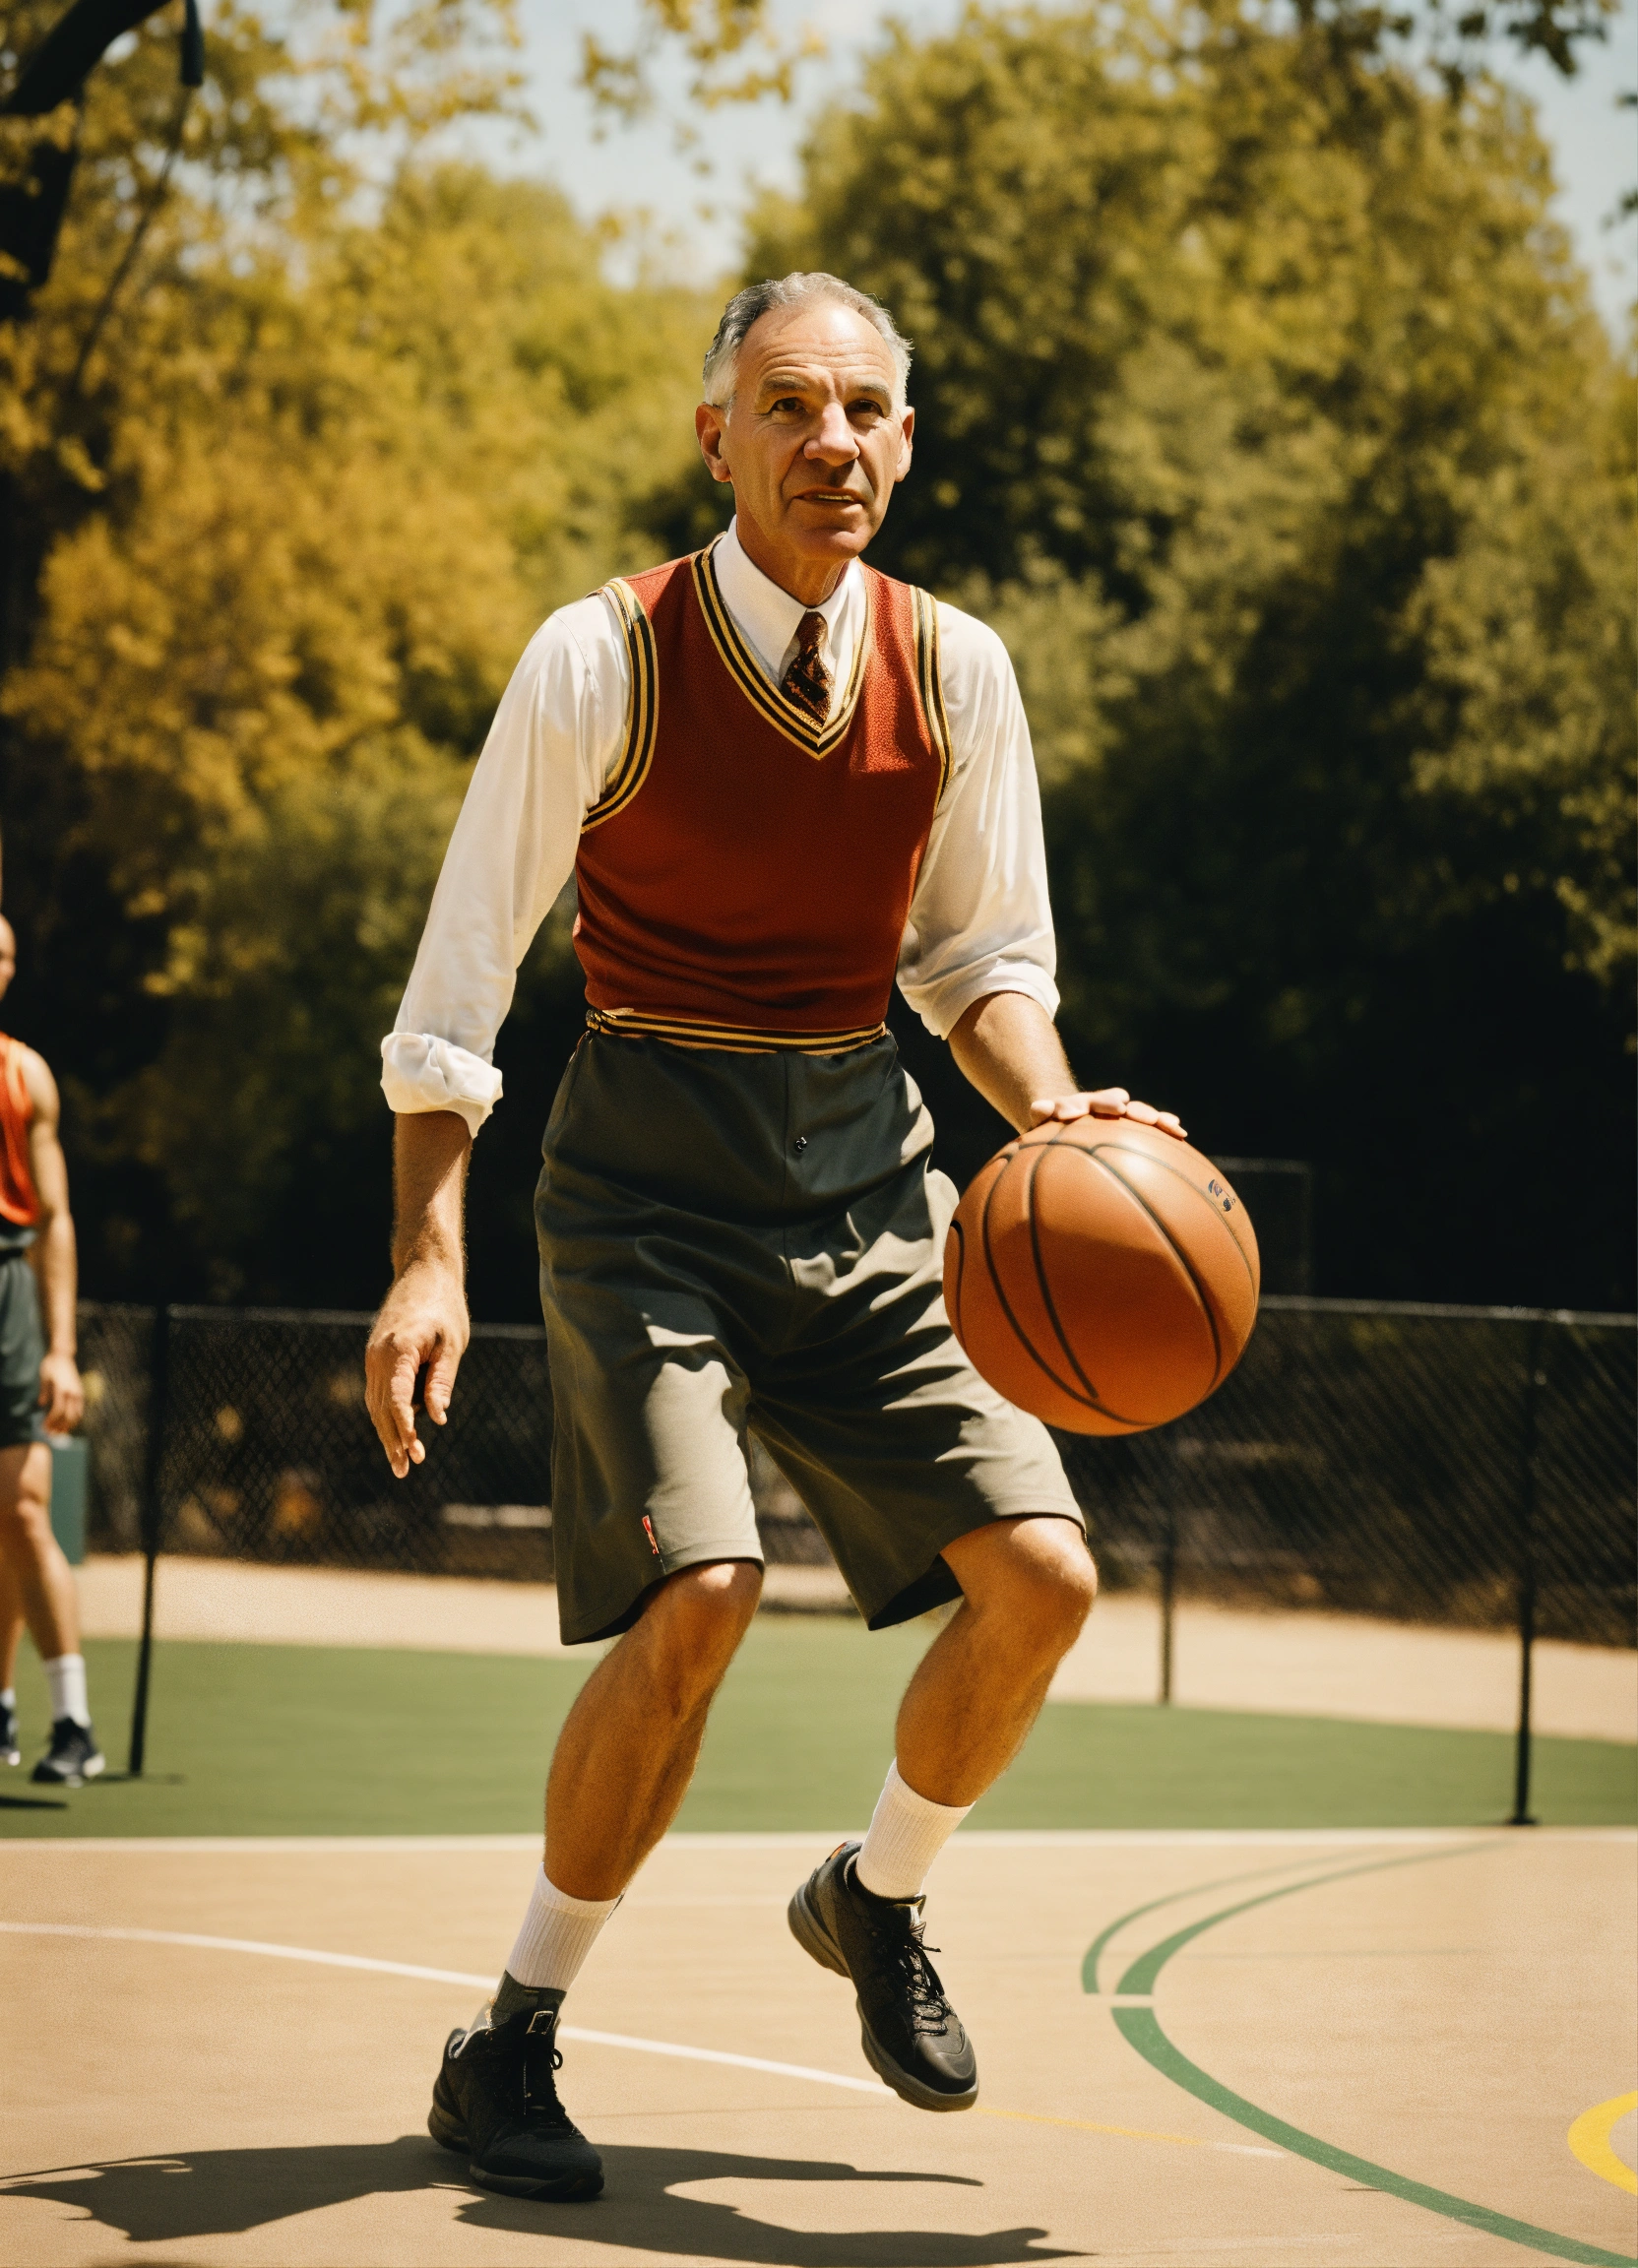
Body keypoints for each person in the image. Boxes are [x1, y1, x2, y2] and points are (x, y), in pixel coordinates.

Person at [365, 271, 1186, 2204]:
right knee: (704, 1595)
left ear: (904, 440)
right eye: (790, 408)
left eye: (866, 413)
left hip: (863, 1176)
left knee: (1049, 1579)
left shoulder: (953, 669)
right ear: (715, 435)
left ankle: (874, 1895)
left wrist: (1055, 1112)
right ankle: (510, 2041)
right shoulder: (603, 658)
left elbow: (977, 962)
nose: (833, 443)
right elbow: (458, 978)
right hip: (642, 1183)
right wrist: (425, 1248)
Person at [0, 914, 99, 1786]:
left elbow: (55, 1219)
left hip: (7, 1299)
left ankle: (70, 1721)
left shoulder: (25, 1076)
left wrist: (60, 1346)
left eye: (2, 957)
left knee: (21, 1508)